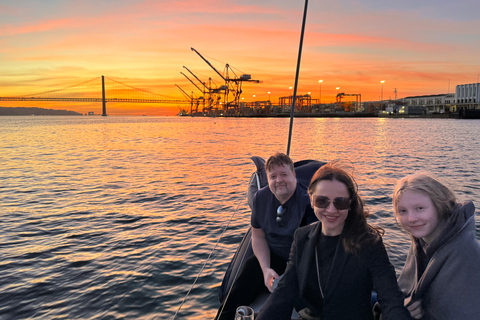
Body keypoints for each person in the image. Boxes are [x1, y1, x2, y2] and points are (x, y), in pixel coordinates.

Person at [257, 162, 412, 320]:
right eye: (322, 201)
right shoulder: (302, 237)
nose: (331, 210)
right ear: (311, 199)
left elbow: (390, 298)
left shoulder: (369, 243)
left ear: (350, 203)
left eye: (340, 202)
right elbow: (285, 290)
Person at [215, 152, 317, 320]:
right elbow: (258, 236)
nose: (279, 180)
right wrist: (265, 269)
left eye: (284, 174)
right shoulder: (260, 199)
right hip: (275, 256)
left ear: (294, 175)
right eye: (273, 176)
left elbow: (313, 245)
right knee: (247, 275)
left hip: (302, 261)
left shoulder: (308, 202)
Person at [393, 173, 480, 320]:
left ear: (439, 206)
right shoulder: (422, 242)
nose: (411, 218)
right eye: (403, 211)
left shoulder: (465, 254)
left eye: (420, 208)